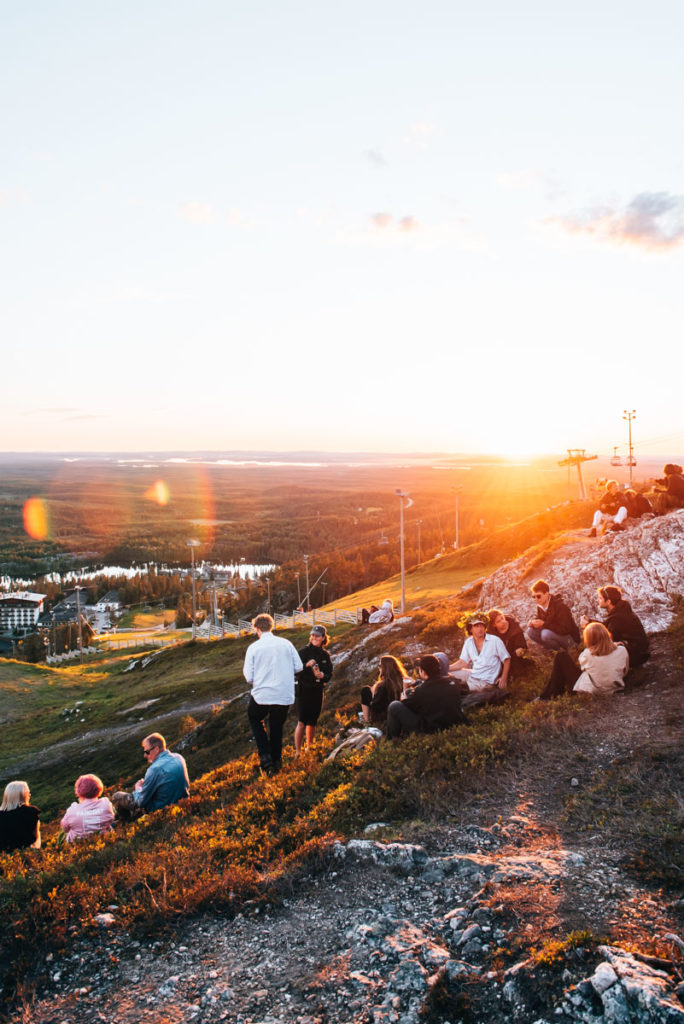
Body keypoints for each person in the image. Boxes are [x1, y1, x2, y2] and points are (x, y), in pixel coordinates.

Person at [244, 613, 303, 774]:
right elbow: (299, 667)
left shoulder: (253, 648)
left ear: (257, 629)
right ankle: (276, 760)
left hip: (262, 694)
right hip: (284, 694)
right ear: (271, 626)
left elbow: (249, 677)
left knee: (255, 718)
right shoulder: (286, 644)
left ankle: (265, 756)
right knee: (277, 726)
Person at [535, 622, 629, 700]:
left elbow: (583, 668)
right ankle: (552, 693)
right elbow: (625, 671)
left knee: (561, 656)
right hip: (614, 688)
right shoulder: (622, 650)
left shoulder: (587, 654)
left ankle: (549, 695)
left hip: (593, 691)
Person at [112, 733, 190, 821]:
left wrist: (138, 788)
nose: (145, 755)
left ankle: (126, 823)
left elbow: (140, 801)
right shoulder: (179, 757)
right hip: (183, 803)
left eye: (147, 752)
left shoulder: (154, 769)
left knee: (117, 796)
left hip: (161, 810)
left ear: (156, 749)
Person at [387, 655, 465, 739]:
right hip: (455, 723)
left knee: (394, 706)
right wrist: (417, 683)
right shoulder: (453, 681)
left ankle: (392, 740)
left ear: (423, 672)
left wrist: (404, 690)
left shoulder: (421, 691)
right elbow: (437, 687)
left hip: (431, 730)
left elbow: (406, 703)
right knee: (412, 693)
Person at [581, 585, 650, 668]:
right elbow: (607, 625)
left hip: (636, 655)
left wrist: (587, 626)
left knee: (601, 649)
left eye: (600, 598)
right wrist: (590, 622)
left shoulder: (618, 617)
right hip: (639, 650)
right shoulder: (620, 611)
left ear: (608, 601)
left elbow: (608, 637)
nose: (597, 600)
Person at [294, 625, 333, 753]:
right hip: (303, 690)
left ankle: (309, 748)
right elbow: (295, 671)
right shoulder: (303, 652)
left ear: (323, 638)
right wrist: (306, 665)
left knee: (313, 722)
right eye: (312, 635)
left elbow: (329, 674)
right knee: (301, 722)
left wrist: (323, 676)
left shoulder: (325, 655)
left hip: (317, 690)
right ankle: (298, 752)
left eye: (317, 635)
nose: (314, 637)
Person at [450, 616, 511, 692]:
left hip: (485, 681)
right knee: (448, 675)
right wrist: (445, 668)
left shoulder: (495, 640)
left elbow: (506, 659)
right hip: (473, 674)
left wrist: (503, 678)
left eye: (482, 625)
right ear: (470, 629)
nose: (480, 629)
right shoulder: (468, 642)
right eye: (476, 626)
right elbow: (462, 663)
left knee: (458, 689)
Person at [527, 580, 579, 651]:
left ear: (547, 594)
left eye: (538, 596)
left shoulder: (560, 606)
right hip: (555, 634)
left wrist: (544, 624)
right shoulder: (540, 606)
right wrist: (533, 622)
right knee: (530, 632)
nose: (536, 599)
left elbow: (565, 629)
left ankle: (563, 652)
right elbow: (539, 618)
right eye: (534, 597)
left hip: (571, 639)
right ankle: (553, 650)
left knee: (545, 634)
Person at [60, 774, 115, 842]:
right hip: (103, 841)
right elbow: (111, 819)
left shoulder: (72, 810)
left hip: (77, 845)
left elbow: (65, 828)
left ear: (78, 790)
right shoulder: (106, 804)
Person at [360, 654, 411, 724]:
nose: (378, 667)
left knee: (365, 690)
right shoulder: (403, 681)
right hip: (398, 713)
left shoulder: (383, 685)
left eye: (380, 666)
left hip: (382, 717)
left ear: (385, 668)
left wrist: (373, 694)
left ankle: (367, 721)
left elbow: (376, 707)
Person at [0, 781, 41, 852]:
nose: (30, 795)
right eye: (28, 793)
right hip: (27, 852)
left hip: (4, 856)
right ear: (22, 795)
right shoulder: (31, 812)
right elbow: (35, 836)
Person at [487, 608, 529, 677]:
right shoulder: (491, 634)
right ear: (494, 625)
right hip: (500, 660)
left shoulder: (514, 627)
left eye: (502, 618)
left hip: (514, 657)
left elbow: (521, 643)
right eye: (498, 621)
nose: (503, 621)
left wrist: (520, 648)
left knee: (518, 672)